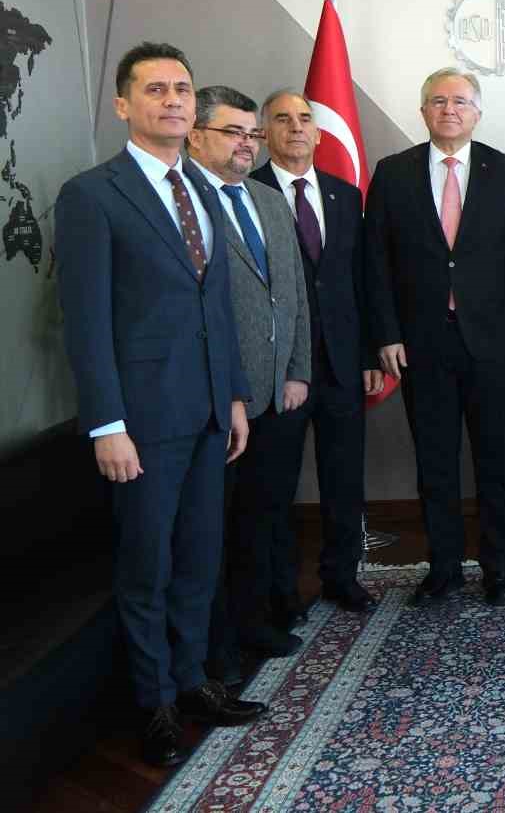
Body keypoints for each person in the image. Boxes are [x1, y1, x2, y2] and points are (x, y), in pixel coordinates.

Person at [56, 42, 263, 767]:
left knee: (199, 560)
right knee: (146, 566)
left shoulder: (203, 186)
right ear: (123, 105)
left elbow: (218, 309)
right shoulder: (92, 195)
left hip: (207, 414)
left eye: (182, 89)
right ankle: (155, 705)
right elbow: (85, 322)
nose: (173, 100)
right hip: (140, 424)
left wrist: (233, 396)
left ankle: (193, 680)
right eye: (155, 89)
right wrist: (106, 424)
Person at [365, 68, 505, 607]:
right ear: (423, 112)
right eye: (438, 101)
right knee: (435, 462)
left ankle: (499, 570)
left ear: (477, 112)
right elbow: (376, 262)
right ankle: (443, 569)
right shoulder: (392, 172)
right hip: (422, 343)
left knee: (497, 462)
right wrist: (386, 333)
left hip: (493, 344)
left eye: (460, 101)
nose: (449, 109)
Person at [187, 86, 312, 671]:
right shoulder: (183, 202)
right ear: (195, 136)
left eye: (250, 134)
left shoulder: (268, 201)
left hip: (279, 395)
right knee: (213, 528)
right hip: (217, 400)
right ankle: (218, 648)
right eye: (231, 132)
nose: (246, 144)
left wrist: (298, 371)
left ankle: (255, 622)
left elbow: (294, 294)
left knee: (265, 516)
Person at [253, 90, 385, 615]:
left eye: (305, 119)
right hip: (278, 367)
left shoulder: (344, 195)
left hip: (342, 362)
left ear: (318, 131)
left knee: (344, 478)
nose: (296, 128)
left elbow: (362, 279)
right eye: (283, 119)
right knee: (275, 485)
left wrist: (370, 353)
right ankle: (280, 593)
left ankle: (341, 577)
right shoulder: (247, 192)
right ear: (264, 132)